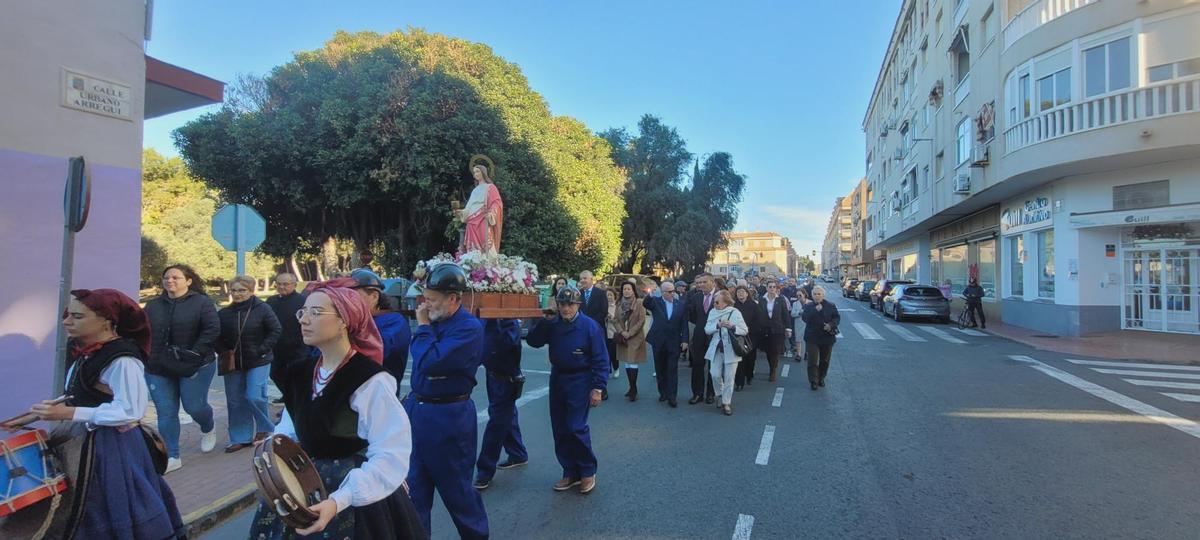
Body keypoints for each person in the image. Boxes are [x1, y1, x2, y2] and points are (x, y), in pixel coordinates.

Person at [248, 281, 424, 539]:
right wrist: (274, 454)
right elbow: (291, 425)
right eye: (303, 312)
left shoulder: (369, 379)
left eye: (316, 313)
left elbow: (390, 452)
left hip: (352, 492)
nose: (304, 320)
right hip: (304, 484)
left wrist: (340, 500)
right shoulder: (301, 372)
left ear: (345, 320)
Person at [22, 288, 185, 539]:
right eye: (67, 315)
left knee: (112, 508)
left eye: (77, 316)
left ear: (106, 321)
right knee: (82, 510)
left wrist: (68, 413)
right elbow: (80, 393)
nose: (66, 321)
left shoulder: (122, 359)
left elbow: (130, 410)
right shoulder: (85, 351)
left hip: (113, 448)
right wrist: (40, 413)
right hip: (85, 444)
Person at [404, 264, 489, 539]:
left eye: (431, 299)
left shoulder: (468, 328)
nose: (425, 305)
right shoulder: (435, 321)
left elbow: (430, 362)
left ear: (453, 299)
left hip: (449, 418)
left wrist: (424, 327)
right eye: (425, 297)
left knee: (458, 493)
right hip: (418, 413)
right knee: (413, 492)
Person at [525, 287, 609, 494]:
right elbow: (533, 342)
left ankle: (587, 470)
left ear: (578, 305)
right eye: (562, 303)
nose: (566, 308)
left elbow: (601, 358)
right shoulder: (553, 324)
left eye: (570, 304)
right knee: (560, 428)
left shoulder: (590, 327)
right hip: (558, 378)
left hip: (580, 379)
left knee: (576, 426)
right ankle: (570, 471)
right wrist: (544, 321)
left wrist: (598, 387)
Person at [142, 264, 219, 473]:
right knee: (166, 412)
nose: (170, 281)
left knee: (194, 406)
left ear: (188, 281)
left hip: (194, 364)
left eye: (176, 277)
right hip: (158, 367)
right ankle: (172, 455)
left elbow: (212, 329)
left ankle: (208, 426)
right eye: (166, 277)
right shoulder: (153, 305)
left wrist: (195, 353)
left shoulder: (201, 303)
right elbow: (142, 331)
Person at [216, 275, 281, 453]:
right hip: (232, 363)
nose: (237, 294)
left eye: (242, 290)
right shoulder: (224, 313)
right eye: (234, 290)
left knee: (254, 395)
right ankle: (240, 437)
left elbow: (275, 330)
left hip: (259, 360)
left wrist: (261, 349)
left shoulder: (263, 309)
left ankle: (264, 428)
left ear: (252, 291)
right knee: (235, 400)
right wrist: (223, 351)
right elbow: (215, 335)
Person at [474, 319, 528, 490]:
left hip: (506, 380)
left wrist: (494, 323)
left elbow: (503, 345)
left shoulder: (509, 323)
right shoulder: (487, 320)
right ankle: (518, 453)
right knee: (506, 416)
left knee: (497, 424)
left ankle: (485, 470)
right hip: (493, 376)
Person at [350, 268, 412, 387]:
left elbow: (374, 351)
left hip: (379, 397)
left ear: (374, 296)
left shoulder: (394, 321)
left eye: (352, 295)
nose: (346, 301)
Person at [643, 281, 688, 407]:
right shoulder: (656, 302)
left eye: (673, 291)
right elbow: (646, 303)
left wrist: (685, 340)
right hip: (658, 340)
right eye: (669, 292)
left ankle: (672, 396)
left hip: (674, 341)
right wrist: (650, 293)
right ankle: (663, 392)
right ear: (662, 293)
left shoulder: (680, 304)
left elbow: (684, 323)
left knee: (672, 369)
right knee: (660, 368)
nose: (672, 294)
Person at [705, 290, 748, 416]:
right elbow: (707, 329)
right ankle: (719, 394)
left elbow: (744, 330)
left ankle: (726, 402)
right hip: (716, 349)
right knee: (714, 374)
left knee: (729, 377)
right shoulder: (713, 312)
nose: (715, 304)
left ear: (725, 302)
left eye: (717, 302)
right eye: (714, 302)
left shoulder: (735, 312)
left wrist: (732, 327)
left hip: (731, 349)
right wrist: (717, 326)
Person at [266, 273, 306, 387]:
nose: (281, 287)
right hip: (276, 346)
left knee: (296, 375)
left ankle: (292, 397)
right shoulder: (271, 301)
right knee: (275, 374)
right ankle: (286, 394)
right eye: (278, 284)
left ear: (294, 285)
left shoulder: (303, 301)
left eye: (285, 284)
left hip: (297, 346)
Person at [457, 162, 504, 254]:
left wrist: (491, 213)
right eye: (474, 172)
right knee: (473, 247)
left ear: (483, 172)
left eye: (478, 171)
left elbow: (497, 203)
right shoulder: (475, 190)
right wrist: (462, 212)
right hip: (471, 220)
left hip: (483, 218)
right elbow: (470, 206)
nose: (476, 174)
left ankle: (487, 264)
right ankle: (474, 263)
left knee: (485, 241)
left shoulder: (490, 187)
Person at [801, 286, 841, 391]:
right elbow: (805, 318)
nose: (817, 296)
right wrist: (815, 310)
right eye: (815, 294)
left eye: (819, 294)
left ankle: (821, 377)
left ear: (823, 295)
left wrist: (831, 325)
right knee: (813, 360)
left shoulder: (831, 306)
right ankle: (813, 381)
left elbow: (836, 318)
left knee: (825, 360)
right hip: (812, 337)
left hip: (827, 337)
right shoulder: (808, 306)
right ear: (812, 295)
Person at [685, 273, 717, 404]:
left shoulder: (720, 296)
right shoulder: (696, 297)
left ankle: (711, 393)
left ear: (712, 282)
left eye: (704, 282)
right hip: (699, 336)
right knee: (697, 365)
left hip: (715, 336)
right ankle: (697, 393)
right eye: (698, 283)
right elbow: (691, 315)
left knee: (713, 366)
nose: (700, 285)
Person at [578, 270, 611, 393]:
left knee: (599, 359)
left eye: (585, 278)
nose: (583, 281)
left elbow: (603, 311)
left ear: (592, 279)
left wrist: (589, 324)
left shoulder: (601, 293)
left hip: (597, 331)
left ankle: (602, 388)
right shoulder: (578, 294)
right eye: (581, 278)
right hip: (581, 332)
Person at [613, 281, 647, 401]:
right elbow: (615, 320)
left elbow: (641, 321)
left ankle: (633, 389)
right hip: (623, 337)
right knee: (627, 362)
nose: (626, 291)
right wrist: (622, 332)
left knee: (633, 362)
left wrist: (630, 333)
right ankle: (632, 388)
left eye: (629, 289)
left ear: (633, 290)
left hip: (635, 337)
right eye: (624, 289)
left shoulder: (639, 303)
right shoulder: (619, 304)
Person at [758, 280, 791, 382]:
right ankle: (771, 366)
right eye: (770, 287)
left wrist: (788, 329)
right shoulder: (762, 300)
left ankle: (773, 370)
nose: (772, 289)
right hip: (765, 329)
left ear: (776, 289)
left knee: (775, 351)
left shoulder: (780, 299)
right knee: (768, 351)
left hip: (778, 329)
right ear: (767, 288)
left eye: (774, 287)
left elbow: (786, 314)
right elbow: (758, 314)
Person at [732, 286, 763, 391]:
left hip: (751, 336)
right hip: (737, 335)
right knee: (739, 358)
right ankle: (739, 382)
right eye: (738, 292)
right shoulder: (734, 306)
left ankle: (749, 375)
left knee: (750, 357)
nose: (740, 294)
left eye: (742, 292)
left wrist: (750, 328)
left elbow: (759, 320)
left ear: (747, 293)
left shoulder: (753, 305)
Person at [604, 288, 620, 387]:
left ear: (614, 296)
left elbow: (619, 320)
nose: (609, 297)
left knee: (613, 353)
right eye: (607, 295)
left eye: (610, 295)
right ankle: (608, 370)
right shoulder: (603, 306)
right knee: (606, 354)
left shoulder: (617, 307)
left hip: (614, 333)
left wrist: (611, 317)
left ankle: (616, 368)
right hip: (604, 333)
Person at [790, 288, 809, 361]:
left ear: (804, 294)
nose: (798, 297)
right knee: (798, 339)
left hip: (808, 323)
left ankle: (807, 353)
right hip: (798, 322)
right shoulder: (795, 303)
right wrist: (799, 313)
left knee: (808, 339)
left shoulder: (810, 303)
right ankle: (798, 354)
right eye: (797, 296)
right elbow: (792, 314)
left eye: (800, 295)